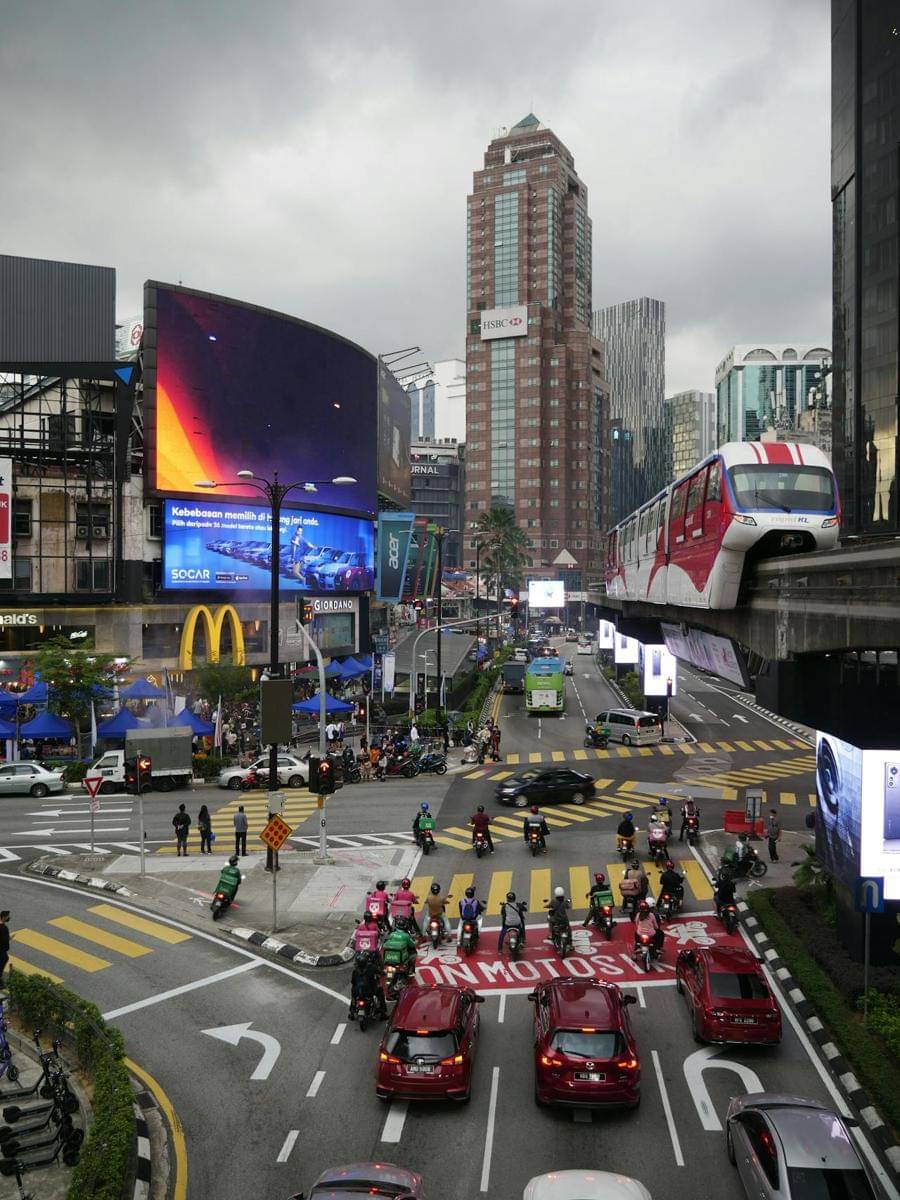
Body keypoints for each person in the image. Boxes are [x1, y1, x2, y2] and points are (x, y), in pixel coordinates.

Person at [349, 949, 387, 1021]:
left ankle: (351, 1012)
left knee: (353, 996)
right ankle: (383, 1013)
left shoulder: (355, 971)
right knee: (381, 993)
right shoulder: (371, 967)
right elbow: (380, 972)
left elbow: (353, 982)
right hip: (370, 991)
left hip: (357, 992)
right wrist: (384, 973)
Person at [0, 911, 10, 985]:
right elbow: (4, 939)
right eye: (7, 916)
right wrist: (9, 938)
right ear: (3, 917)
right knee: (3, 960)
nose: (8, 918)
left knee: (5, 958)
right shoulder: (3, 928)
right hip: (1, 949)